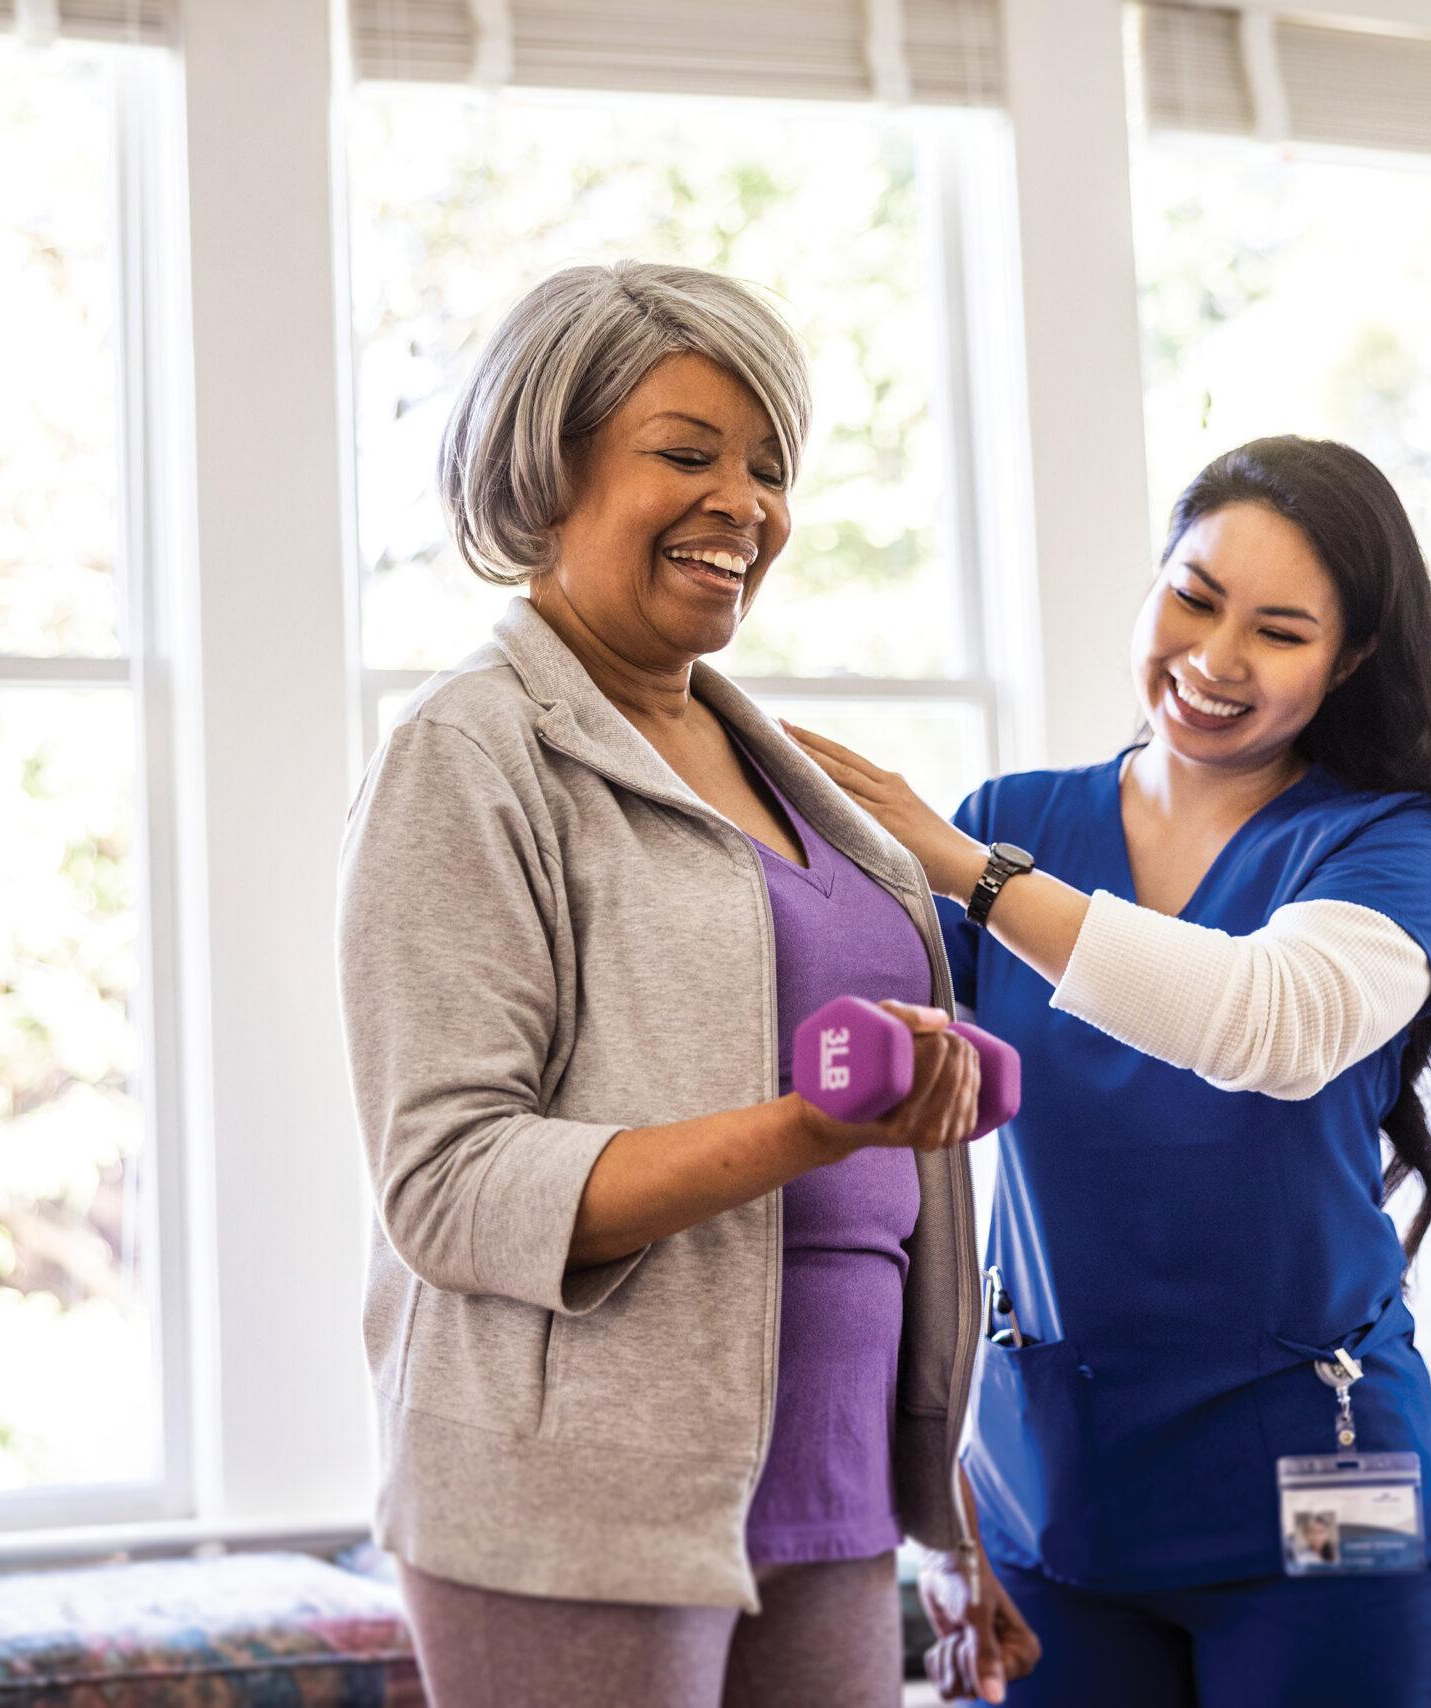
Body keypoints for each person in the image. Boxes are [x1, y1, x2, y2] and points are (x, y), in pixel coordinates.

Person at [338, 261, 1023, 1708]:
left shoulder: (789, 771)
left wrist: (947, 1513)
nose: (748, 504)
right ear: (550, 468)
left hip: (830, 1486)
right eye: (688, 453)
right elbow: (452, 1184)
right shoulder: (469, 755)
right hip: (579, 1503)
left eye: (770, 467)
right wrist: (807, 1127)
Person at [793, 435, 1431, 1707]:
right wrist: (937, 1490)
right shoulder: (1014, 813)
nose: (1214, 658)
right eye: (1192, 596)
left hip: (1321, 1499)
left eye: (1279, 630)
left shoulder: (1391, 842)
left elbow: (1270, 1022)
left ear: (1349, 658)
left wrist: (971, 872)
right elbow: (881, 1155)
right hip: (1049, 1497)